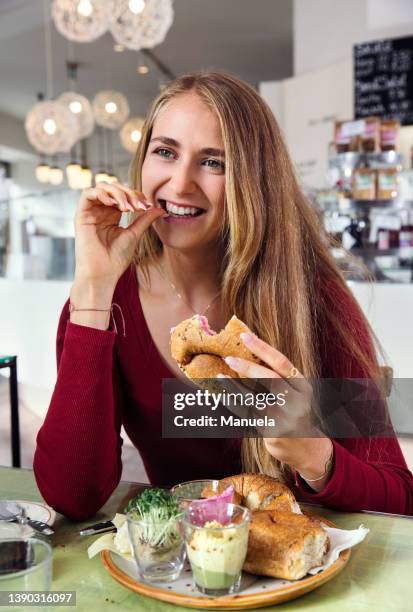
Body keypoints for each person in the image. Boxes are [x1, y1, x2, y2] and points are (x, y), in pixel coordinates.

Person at [34, 72, 413, 520]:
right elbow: (71, 496)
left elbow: (401, 497)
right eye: (165, 152)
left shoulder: (317, 301)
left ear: (254, 183)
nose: (178, 184)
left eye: (214, 162)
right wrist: (92, 289)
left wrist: (315, 456)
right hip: (181, 576)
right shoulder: (106, 305)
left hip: (303, 570)